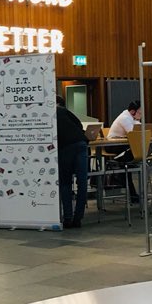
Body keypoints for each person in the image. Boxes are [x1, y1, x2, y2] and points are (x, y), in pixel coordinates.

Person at [56, 95, 89, 229]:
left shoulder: (50, 113)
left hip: (64, 148)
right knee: (82, 182)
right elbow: (79, 125)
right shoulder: (64, 111)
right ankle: (78, 218)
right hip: (81, 144)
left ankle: (68, 218)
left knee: (65, 183)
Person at [107, 100, 141, 203]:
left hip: (122, 146)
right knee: (127, 165)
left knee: (128, 165)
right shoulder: (124, 118)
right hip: (113, 147)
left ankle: (131, 191)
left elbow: (138, 128)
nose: (141, 115)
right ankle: (130, 191)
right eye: (140, 112)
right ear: (132, 111)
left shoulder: (131, 118)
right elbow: (133, 133)